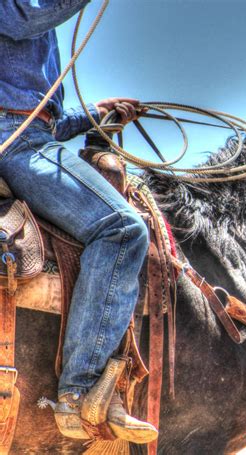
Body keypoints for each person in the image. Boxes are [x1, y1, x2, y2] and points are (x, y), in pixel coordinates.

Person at [0, 0, 158, 444]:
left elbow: (40, 118)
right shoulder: (27, 9)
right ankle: (81, 388)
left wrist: (94, 115)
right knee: (123, 229)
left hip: (25, 136)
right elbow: (23, 17)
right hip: (14, 144)